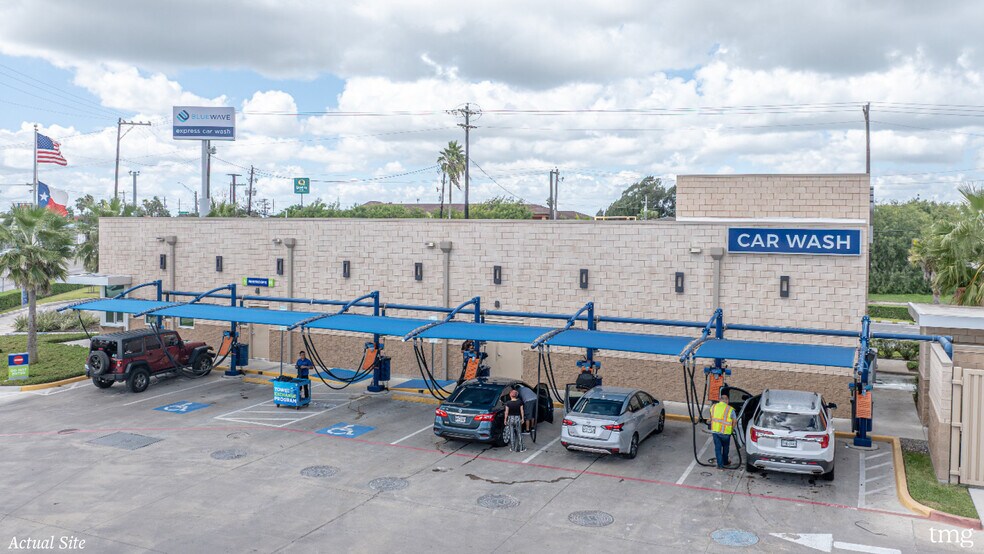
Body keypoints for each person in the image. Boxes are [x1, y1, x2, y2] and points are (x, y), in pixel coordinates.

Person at [710, 393, 737, 469]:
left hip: (715, 432)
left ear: (720, 400)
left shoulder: (713, 407)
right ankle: (725, 461)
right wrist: (732, 429)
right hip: (726, 433)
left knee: (717, 448)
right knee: (725, 448)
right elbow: (735, 421)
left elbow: (711, 418)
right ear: (727, 400)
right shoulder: (730, 409)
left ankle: (720, 465)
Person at [503, 388, 526, 453]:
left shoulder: (508, 403)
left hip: (510, 418)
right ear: (516, 395)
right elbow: (522, 411)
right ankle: (521, 448)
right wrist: (522, 418)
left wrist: (505, 419)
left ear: (510, 395)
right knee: (519, 433)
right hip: (517, 418)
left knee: (512, 433)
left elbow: (506, 412)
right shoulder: (519, 402)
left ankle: (512, 448)